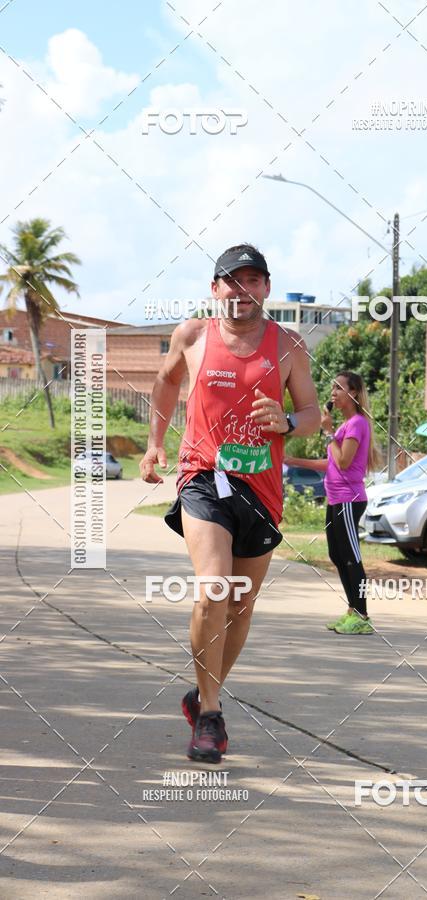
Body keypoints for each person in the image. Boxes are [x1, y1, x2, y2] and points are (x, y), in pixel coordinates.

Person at [140, 244, 320, 763]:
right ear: (215, 288)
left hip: (261, 487)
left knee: (241, 605)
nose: (241, 292)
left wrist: (285, 422)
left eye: (252, 281)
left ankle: (201, 694)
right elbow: (166, 381)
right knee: (214, 589)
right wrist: (156, 442)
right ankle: (212, 716)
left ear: (266, 287)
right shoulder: (193, 335)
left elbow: (311, 415)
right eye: (231, 282)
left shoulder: (287, 345)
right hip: (204, 476)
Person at [284, 370, 383, 635]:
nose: (333, 393)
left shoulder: (357, 424)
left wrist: (328, 432)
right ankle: (352, 610)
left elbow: (343, 461)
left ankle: (362, 616)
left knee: (351, 557)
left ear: (353, 393)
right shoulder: (343, 426)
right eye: (332, 388)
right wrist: (293, 461)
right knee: (337, 555)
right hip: (336, 499)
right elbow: (331, 465)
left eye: (339, 388)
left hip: (350, 500)